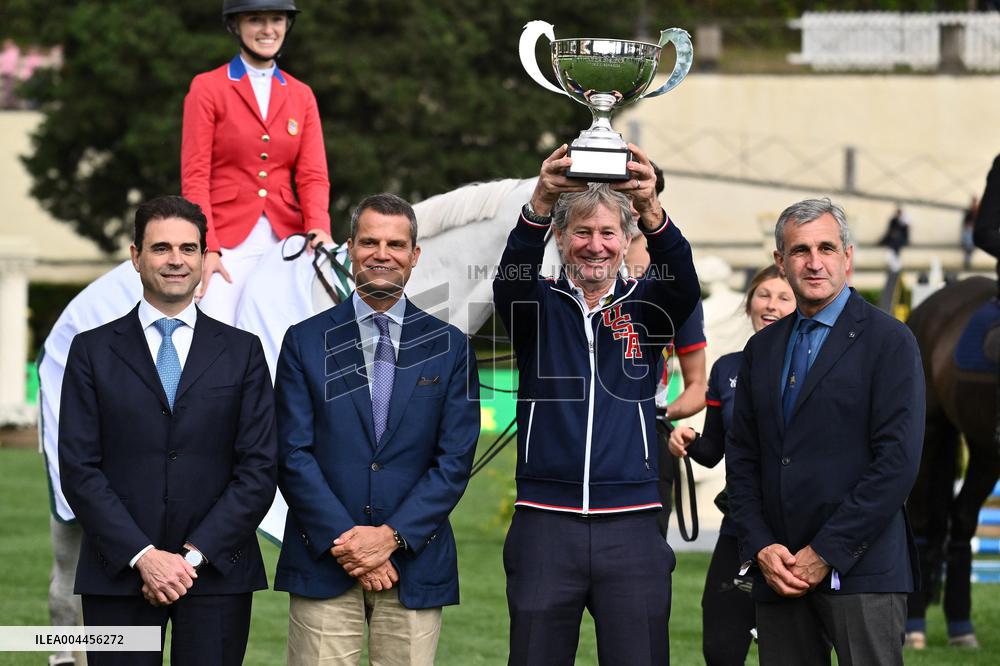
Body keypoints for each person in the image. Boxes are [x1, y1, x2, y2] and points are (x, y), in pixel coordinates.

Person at [493, 143, 700, 665]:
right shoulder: (535, 305)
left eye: (609, 233)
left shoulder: (649, 306)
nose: (595, 246)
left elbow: (686, 280)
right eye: (582, 233)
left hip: (632, 523)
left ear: (626, 239)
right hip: (544, 523)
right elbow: (510, 271)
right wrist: (541, 200)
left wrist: (652, 210)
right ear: (561, 239)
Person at [58, 195, 278, 665]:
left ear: (203, 257)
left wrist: (191, 558)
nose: (176, 260)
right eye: (161, 248)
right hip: (118, 572)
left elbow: (259, 468)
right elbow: (79, 468)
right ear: (135, 256)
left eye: (189, 248)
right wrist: (144, 556)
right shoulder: (91, 352)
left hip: (217, 573)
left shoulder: (244, 352)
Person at [273, 193, 480, 665]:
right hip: (324, 558)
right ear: (349, 249)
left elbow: (453, 463)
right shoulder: (304, 341)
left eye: (395, 243)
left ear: (414, 256)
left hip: (414, 561)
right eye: (369, 241)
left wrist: (390, 537)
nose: (382, 253)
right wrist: (350, 543)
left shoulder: (450, 347)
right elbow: (292, 453)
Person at [726, 198, 925, 665]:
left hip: (864, 571)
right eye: (800, 251)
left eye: (827, 248)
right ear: (780, 261)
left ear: (848, 257)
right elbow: (744, 458)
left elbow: (896, 463)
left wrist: (826, 551)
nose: (814, 262)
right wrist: (760, 546)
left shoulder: (891, 341)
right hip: (779, 573)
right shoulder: (762, 348)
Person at [669, 265, 796, 665]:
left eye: (783, 297)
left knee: (791, 651)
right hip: (739, 525)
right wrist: (690, 442)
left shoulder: (817, 369)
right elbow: (714, 450)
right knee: (721, 646)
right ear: (749, 303)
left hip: (798, 531)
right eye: (764, 295)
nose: (771, 305)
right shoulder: (726, 369)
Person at [181, 0, 332, 325]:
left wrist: (318, 226)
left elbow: (312, 175)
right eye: (255, 20)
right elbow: (195, 176)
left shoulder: (302, 94)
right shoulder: (207, 88)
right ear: (236, 25)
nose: (267, 29)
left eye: (276, 19)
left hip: (287, 237)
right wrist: (207, 245)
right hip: (225, 237)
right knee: (217, 324)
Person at [961, 195, 979, 271]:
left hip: (972, 231)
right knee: (968, 247)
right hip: (969, 231)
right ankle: (967, 263)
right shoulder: (969, 211)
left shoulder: (977, 211)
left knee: (970, 248)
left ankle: (967, 262)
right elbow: (965, 222)